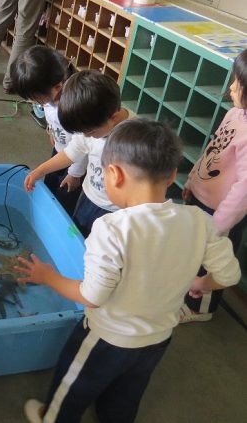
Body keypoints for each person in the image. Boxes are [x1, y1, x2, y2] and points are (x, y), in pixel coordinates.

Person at [17, 118, 241, 423]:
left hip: (108, 337)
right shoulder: (200, 221)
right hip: (157, 337)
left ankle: (51, 417)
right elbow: (229, 275)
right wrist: (202, 283)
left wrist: (48, 276)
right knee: (128, 391)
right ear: (172, 175)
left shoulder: (111, 229)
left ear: (115, 175)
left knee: (75, 385)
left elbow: (92, 296)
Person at [180, 49, 247, 323]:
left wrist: (219, 225)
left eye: (239, 83)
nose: (231, 87)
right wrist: (192, 180)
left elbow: (244, 191)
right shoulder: (235, 114)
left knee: (211, 260)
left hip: (221, 214)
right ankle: (188, 290)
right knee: (194, 252)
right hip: (201, 198)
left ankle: (200, 309)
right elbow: (213, 150)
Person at [24, 71, 130, 237]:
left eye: (90, 132)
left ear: (114, 118)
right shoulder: (92, 129)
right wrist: (39, 171)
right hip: (89, 196)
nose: (85, 136)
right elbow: (69, 154)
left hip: (115, 210)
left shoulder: (133, 140)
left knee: (101, 241)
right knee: (78, 232)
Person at [10, 46, 83, 216]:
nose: (34, 101)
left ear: (57, 87)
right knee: (50, 187)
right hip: (59, 150)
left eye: (36, 98)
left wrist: (75, 174)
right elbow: (51, 115)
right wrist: (51, 129)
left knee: (65, 198)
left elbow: (84, 146)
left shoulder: (74, 107)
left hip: (76, 161)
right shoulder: (50, 97)